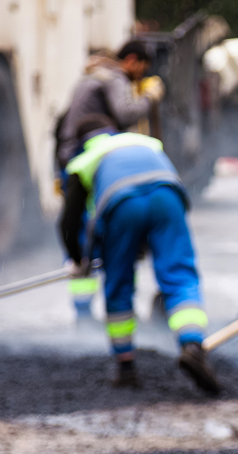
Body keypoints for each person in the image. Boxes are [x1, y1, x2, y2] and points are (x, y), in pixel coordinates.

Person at [59, 114, 219, 394]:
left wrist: (77, 259)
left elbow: (70, 222)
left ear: (83, 141)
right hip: (168, 195)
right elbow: (154, 186)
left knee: (119, 284)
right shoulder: (145, 142)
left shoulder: (83, 161)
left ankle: (126, 367)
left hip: (121, 202)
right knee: (180, 276)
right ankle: (192, 344)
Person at [56, 41, 165, 321]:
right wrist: (150, 97)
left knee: (82, 233)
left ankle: (83, 310)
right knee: (108, 229)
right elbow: (126, 112)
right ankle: (118, 306)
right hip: (90, 158)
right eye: (142, 68)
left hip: (72, 157)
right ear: (131, 60)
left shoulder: (94, 76)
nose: (140, 76)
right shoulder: (113, 77)